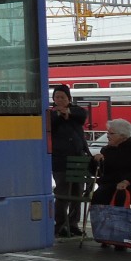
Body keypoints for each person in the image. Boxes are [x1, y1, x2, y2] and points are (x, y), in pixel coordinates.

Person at [49, 83, 89, 237]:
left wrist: (68, 113)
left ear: (68, 99)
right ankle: (60, 225)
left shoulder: (76, 112)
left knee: (77, 193)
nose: (59, 100)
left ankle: (73, 224)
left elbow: (81, 115)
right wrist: (61, 115)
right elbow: (52, 122)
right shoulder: (51, 114)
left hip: (78, 159)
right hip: (60, 160)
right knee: (62, 193)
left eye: (62, 97)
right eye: (56, 97)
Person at [91, 118, 131, 205]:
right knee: (99, 195)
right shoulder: (106, 150)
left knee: (120, 195)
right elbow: (98, 172)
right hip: (109, 186)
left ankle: (118, 219)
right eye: (107, 133)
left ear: (122, 135)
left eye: (111, 133)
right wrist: (96, 161)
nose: (107, 136)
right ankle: (101, 219)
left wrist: (127, 181)